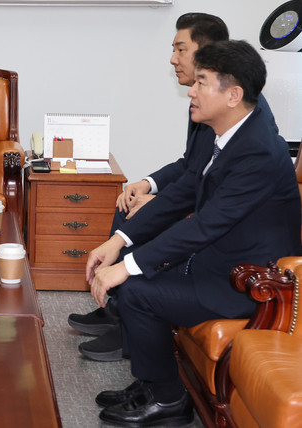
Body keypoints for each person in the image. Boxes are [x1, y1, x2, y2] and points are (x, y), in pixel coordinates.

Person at [86, 40, 301, 427]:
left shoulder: (258, 153)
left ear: (233, 95)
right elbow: (183, 192)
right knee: (134, 271)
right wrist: (119, 242)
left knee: (136, 290)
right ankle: (152, 384)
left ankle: (168, 399)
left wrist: (126, 267)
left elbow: (205, 224)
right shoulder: (226, 133)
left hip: (246, 281)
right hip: (217, 260)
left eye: (202, 83)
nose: (191, 91)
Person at [68, 13, 230, 361]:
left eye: (180, 49)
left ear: (207, 53)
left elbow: (203, 187)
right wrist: (146, 184)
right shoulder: (202, 102)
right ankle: (116, 309)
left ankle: (128, 321)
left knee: (137, 215)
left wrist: (157, 201)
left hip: (211, 227)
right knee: (127, 202)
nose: (172, 59)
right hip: (198, 204)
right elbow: (189, 165)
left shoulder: (225, 112)